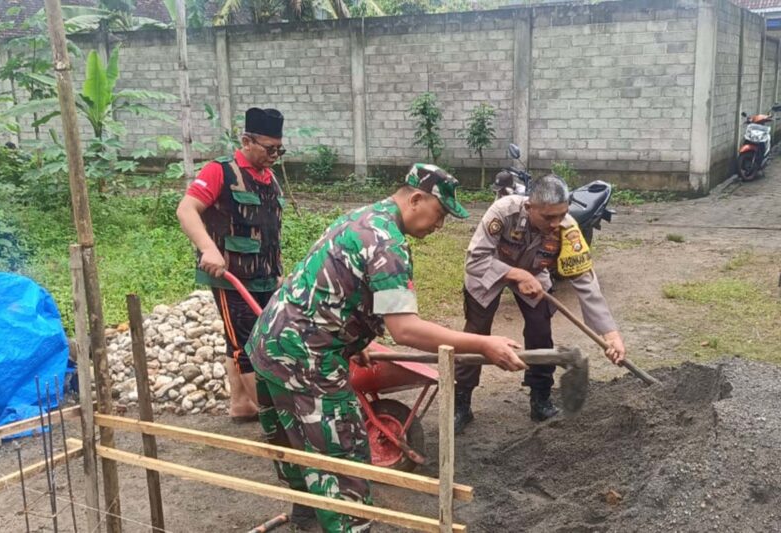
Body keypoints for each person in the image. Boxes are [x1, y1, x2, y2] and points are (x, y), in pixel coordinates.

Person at [247, 164, 527, 532]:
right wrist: (483, 344)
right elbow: (406, 329)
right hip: (306, 359)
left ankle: (307, 521)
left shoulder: (361, 218)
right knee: (345, 458)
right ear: (415, 199)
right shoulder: (387, 243)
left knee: (300, 448)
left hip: (269, 345)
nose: (439, 225)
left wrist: (352, 339)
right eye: (440, 214)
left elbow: (333, 288)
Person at [455, 174, 626, 432]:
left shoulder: (568, 229)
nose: (556, 223)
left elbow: (585, 281)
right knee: (476, 333)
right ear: (529, 207)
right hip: (488, 272)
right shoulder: (502, 212)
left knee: (540, 330)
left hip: (534, 274)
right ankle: (461, 402)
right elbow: (475, 261)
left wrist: (610, 334)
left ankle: (541, 397)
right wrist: (516, 274)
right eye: (548, 218)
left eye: (562, 215)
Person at [176, 107, 286, 423]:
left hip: (265, 276)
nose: (274, 155)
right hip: (231, 275)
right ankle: (274, 419)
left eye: (280, 149)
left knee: (241, 339)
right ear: (246, 141)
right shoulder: (219, 172)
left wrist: (277, 271)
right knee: (248, 345)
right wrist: (208, 249)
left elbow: (268, 231)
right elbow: (186, 210)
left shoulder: (269, 178)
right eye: (269, 148)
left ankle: (242, 405)